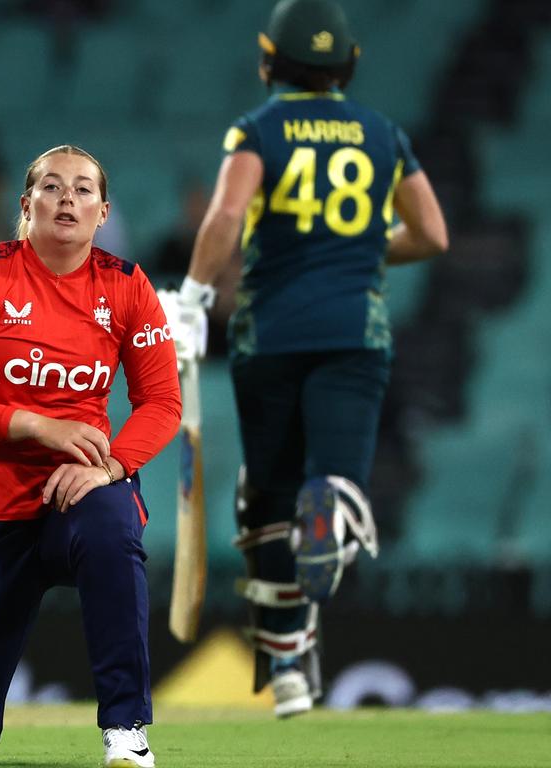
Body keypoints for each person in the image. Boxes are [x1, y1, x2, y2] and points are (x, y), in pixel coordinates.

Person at [162, 0, 448, 718]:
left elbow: (227, 215)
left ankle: (286, 659)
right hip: (355, 331)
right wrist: (354, 249)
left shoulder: (257, 129)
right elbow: (434, 234)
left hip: (270, 333)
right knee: (332, 483)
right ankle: (330, 509)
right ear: (347, 65)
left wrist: (193, 298)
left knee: (267, 494)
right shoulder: (384, 133)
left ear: (269, 60)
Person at [0, 145, 180, 767]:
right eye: (52, 187)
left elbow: (163, 401)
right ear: (26, 204)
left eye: (83, 190)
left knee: (114, 523)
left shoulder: (127, 285)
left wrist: (111, 466)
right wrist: (38, 426)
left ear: (103, 211)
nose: (68, 199)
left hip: (76, 496)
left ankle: (126, 730)